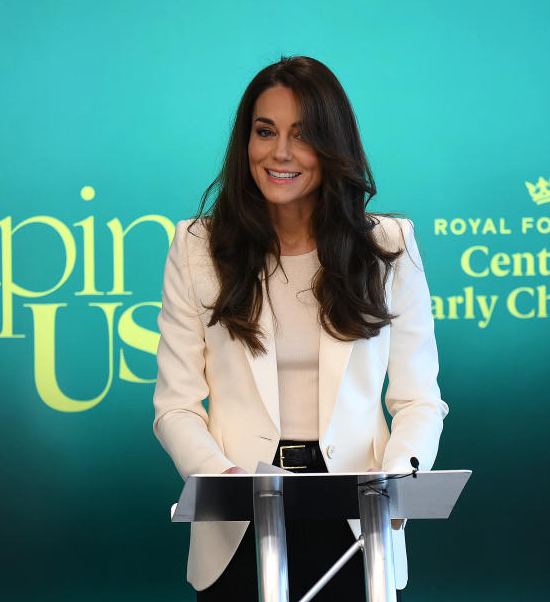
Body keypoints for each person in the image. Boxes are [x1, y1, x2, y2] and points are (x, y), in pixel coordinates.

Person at [153, 56, 448, 600]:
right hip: (239, 523)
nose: (280, 153)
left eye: (303, 135)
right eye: (265, 132)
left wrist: (397, 482)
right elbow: (175, 406)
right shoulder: (197, 247)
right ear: (246, 143)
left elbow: (418, 402)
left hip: (361, 521)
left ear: (333, 148)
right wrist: (223, 478)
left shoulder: (389, 247)